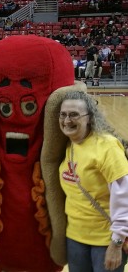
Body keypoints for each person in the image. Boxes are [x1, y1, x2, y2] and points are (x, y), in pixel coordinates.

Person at [58, 91, 128, 272]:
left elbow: (124, 196)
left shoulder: (107, 146)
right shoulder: (69, 144)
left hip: (106, 241)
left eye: (74, 114)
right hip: (75, 238)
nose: (67, 120)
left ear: (89, 118)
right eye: (63, 114)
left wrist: (117, 243)